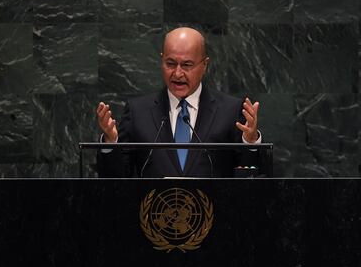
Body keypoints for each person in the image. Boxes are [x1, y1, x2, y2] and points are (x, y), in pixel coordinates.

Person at [96, 27, 261, 178]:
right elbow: (117, 179)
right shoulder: (138, 111)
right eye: (170, 64)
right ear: (162, 61)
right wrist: (111, 143)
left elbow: (251, 177)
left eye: (187, 65)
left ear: (204, 65)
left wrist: (251, 142)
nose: (177, 73)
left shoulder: (230, 110)